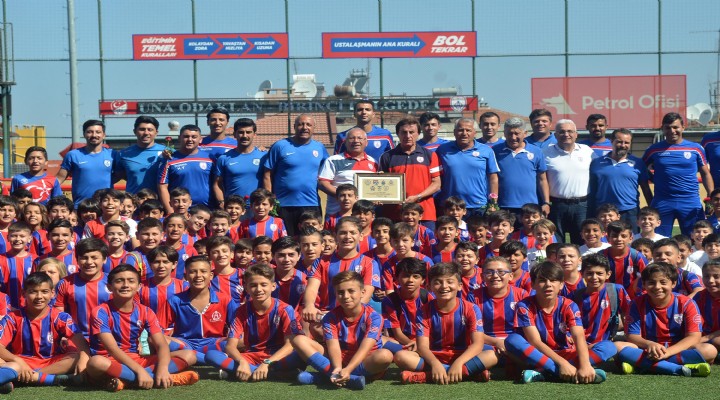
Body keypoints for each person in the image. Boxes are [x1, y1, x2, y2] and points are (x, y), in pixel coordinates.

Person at [86, 264, 198, 391]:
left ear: (139, 286)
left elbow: (161, 344)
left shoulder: (146, 311)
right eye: (119, 281)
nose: (125, 285)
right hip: (109, 360)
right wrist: (140, 370)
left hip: (136, 359)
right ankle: (154, 379)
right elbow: (113, 350)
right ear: (109, 287)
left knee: (189, 355)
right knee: (95, 363)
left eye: (131, 281)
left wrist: (163, 368)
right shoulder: (100, 312)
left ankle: (130, 379)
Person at [504, 261, 614, 384]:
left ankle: (544, 373)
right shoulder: (524, 306)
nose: (548, 285)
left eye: (553, 280)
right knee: (512, 340)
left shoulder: (569, 305)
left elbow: (578, 336)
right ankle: (563, 371)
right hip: (539, 355)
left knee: (609, 347)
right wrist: (563, 364)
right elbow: (535, 342)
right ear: (533, 285)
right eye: (542, 281)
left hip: (565, 352)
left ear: (561, 284)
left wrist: (585, 365)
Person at [393, 262, 495, 384]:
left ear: (459, 286)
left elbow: (477, 344)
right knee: (400, 357)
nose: (444, 286)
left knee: (491, 356)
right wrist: (435, 363)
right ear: (429, 287)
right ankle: (468, 373)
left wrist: (458, 363)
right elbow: (422, 347)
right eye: (438, 282)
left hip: (464, 356)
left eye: (450, 282)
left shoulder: (471, 308)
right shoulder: (423, 311)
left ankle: (426, 376)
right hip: (434, 357)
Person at [204, 263, 305, 382]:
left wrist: (267, 363)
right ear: (246, 288)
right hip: (251, 357)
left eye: (263, 285)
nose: (258, 289)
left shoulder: (285, 309)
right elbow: (230, 346)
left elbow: (290, 345)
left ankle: (247, 372)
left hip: (277, 358)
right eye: (253, 285)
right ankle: (275, 375)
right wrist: (242, 362)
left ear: (273, 286)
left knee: (301, 355)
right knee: (211, 355)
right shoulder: (241, 311)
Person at [292, 271, 392, 389]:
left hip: (365, 362)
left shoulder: (374, 317)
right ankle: (348, 379)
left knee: (385, 355)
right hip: (339, 360)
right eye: (340, 292)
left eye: (351, 291)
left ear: (362, 292)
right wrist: (337, 368)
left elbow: (365, 348)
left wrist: (348, 369)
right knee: (299, 340)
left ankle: (325, 377)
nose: (346, 296)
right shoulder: (330, 317)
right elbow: (333, 346)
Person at [617, 262, 716, 377]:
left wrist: (668, 352)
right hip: (647, 349)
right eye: (651, 283)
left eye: (663, 282)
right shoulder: (636, 303)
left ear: (673, 283)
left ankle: (642, 365)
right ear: (643, 284)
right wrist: (649, 344)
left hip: (677, 349)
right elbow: (632, 335)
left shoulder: (687, 303)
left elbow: (694, 337)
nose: (657, 287)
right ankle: (678, 369)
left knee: (709, 350)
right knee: (618, 347)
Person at [0, 272, 92, 392]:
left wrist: (83, 361)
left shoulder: (61, 317)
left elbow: (82, 344)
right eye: (33, 292)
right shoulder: (12, 318)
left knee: (77, 357)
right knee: (6, 362)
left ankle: (25, 377)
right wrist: (18, 360)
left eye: (44, 291)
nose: (39, 296)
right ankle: (51, 379)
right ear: (23, 293)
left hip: (50, 363)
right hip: (20, 362)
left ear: (52, 293)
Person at [642, 112, 714, 236]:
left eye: (675, 127)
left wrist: (710, 198)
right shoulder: (653, 149)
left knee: (695, 238)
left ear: (683, 127)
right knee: (659, 240)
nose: (672, 131)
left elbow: (705, 173)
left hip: (690, 201)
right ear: (663, 129)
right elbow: (640, 168)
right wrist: (653, 178)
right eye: (668, 128)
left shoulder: (696, 148)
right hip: (663, 201)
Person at [263, 114, 329, 237]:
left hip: (311, 204)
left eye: (308, 125)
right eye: (300, 124)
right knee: (285, 241)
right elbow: (267, 175)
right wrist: (270, 199)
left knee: (310, 240)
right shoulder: (280, 146)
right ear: (294, 127)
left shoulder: (319, 147)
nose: (304, 127)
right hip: (283, 204)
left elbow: (328, 173)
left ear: (314, 128)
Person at [379, 116, 441, 227]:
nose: (408, 136)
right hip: (395, 213)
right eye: (404, 132)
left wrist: (418, 197)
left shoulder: (430, 155)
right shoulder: (387, 156)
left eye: (411, 132)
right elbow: (382, 183)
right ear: (398, 134)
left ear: (418, 134)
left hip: (424, 213)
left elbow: (436, 183)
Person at [543, 119, 596, 244]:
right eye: (562, 132)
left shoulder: (587, 151)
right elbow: (541, 179)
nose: (566, 134)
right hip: (556, 205)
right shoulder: (545, 153)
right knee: (556, 242)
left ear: (576, 134)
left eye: (570, 131)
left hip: (582, 205)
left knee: (582, 241)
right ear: (555, 135)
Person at [589, 128, 651, 232]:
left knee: (631, 240)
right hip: (604, 213)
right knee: (604, 240)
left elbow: (645, 188)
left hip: (629, 211)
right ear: (611, 141)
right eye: (619, 142)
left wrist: (651, 208)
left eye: (626, 142)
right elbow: (592, 189)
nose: (623, 145)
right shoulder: (597, 163)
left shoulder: (638, 163)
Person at [436, 118, 499, 217]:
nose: (464, 133)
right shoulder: (442, 150)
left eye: (468, 130)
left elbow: (493, 178)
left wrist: (493, 203)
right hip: (452, 206)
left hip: (478, 205)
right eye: (460, 130)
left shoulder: (486, 150)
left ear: (475, 133)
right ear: (454, 132)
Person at [493, 117, 550, 216]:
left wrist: (546, 202)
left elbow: (542, 179)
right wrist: (493, 203)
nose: (513, 137)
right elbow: (491, 179)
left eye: (517, 133)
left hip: (530, 206)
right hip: (503, 206)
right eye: (510, 133)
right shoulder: (495, 151)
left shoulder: (536, 151)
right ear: (504, 133)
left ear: (525, 133)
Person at [319, 127, 378, 216]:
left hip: (362, 216)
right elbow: (323, 183)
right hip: (336, 214)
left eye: (360, 138)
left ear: (366, 142)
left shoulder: (374, 162)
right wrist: (345, 196)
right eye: (352, 138)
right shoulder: (333, 160)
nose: (356, 141)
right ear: (345, 142)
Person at [57, 119, 115, 206]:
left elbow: (121, 174)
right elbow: (60, 178)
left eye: (98, 132)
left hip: (106, 206)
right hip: (81, 207)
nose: (94, 135)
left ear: (104, 135)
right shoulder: (73, 155)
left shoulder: (113, 154)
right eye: (89, 132)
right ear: (84, 134)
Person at [212, 118, 267, 205]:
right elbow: (217, 184)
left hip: (257, 207)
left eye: (248, 132)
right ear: (234, 134)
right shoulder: (224, 158)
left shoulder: (264, 156)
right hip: (234, 208)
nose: (244, 135)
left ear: (254, 134)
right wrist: (222, 203)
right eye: (241, 132)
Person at [114, 116, 166, 194]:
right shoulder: (123, 154)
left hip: (159, 200)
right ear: (134, 131)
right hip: (133, 200)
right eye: (142, 129)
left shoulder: (167, 152)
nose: (146, 133)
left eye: (150, 130)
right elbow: (119, 175)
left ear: (156, 132)